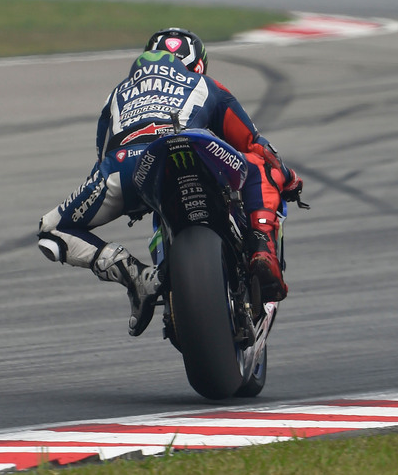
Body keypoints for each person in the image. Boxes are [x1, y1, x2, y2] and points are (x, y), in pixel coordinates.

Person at [37, 28, 304, 337]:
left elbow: (102, 155)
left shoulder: (117, 93)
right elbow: (254, 143)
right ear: (198, 64)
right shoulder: (205, 84)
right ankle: (262, 247)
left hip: (128, 165)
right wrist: (289, 178)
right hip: (199, 149)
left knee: (51, 229)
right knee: (259, 164)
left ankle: (135, 276)